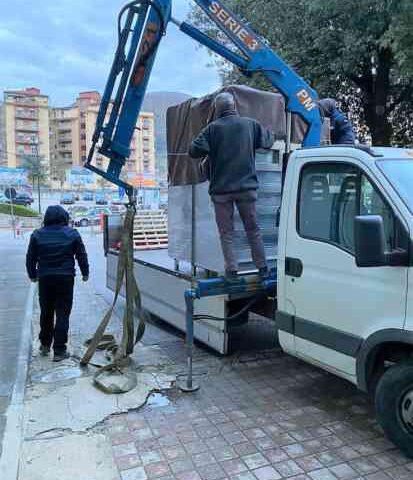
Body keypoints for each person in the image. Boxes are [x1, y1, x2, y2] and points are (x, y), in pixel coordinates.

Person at [189, 92, 274, 280]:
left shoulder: (212, 129)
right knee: (253, 230)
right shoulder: (250, 125)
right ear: (234, 106)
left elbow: (194, 150)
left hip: (221, 192)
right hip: (247, 189)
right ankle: (262, 268)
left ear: (217, 109)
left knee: (226, 233)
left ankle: (232, 270)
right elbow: (268, 141)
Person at [26, 205, 89, 362]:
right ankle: (60, 350)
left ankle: (45, 345)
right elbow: (81, 254)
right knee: (62, 313)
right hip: (65, 279)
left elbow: (30, 257)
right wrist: (85, 272)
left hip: (45, 279)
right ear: (64, 217)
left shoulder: (37, 235)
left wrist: (32, 275)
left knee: (46, 312)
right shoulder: (72, 233)